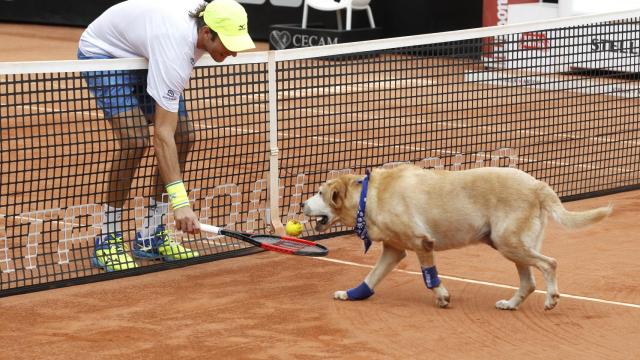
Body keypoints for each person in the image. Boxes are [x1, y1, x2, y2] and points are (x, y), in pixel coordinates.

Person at [77, 0, 255, 272]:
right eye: (228, 43)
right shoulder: (174, 45)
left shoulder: (200, 20)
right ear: (207, 33)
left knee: (184, 135)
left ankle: (150, 236)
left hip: (145, 50)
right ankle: (108, 239)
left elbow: (170, 131)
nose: (233, 52)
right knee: (135, 139)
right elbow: (161, 133)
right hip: (105, 52)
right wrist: (181, 203)